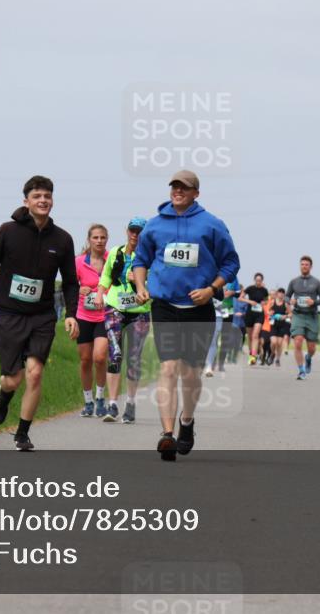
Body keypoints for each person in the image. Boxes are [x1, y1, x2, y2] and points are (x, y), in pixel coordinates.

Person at [0, 175, 79, 451]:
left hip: (43, 316)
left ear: (52, 201)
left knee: (35, 373)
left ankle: (22, 433)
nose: (43, 200)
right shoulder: (8, 231)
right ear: (26, 201)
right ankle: (3, 396)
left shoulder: (62, 239)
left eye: (47, 196)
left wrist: (71, 313)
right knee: (13, 378)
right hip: (11, 314)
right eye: (37, 196)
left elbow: (71, 281)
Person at [133, 170, 240, 461]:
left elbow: (231, 263)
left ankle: (187, 422)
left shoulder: (212, 225)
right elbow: (140, 261)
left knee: (190, 373)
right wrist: (141, 286)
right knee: (168, 368)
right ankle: (167, 435)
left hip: (199, 308)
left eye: (185, 187)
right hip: (164, 305)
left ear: (196, 193)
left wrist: (212, 289)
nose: (178, 191)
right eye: (174, 186)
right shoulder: (154, 226)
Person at [95, 217, 151, 423]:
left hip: (140, 310)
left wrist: (141, 281)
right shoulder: (116, 254)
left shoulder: (151, 257)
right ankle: (112, 404)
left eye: (140, 231)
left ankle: (131, 403)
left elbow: (156, 282)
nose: (135, 235)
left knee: (134, 360)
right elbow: (106, 276)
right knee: (115, 355)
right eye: (133, 230)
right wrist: (100, 292)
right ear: (127, 231)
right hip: (115, 306)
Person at [75, 224, 110, 418]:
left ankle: (100, 399)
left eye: (102, 237)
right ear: (89, 240)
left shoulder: (111, 260)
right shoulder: (79, 262)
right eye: (95, 237)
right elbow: (70, 286)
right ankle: (88, 401)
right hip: (83, 316)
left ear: (107, 239)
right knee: (86, 360)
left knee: (99, 357)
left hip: (105, 316)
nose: (99, 241)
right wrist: (80, 290)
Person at [286, 255, 320, 380]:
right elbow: (287, 297)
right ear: (300, 266)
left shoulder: (317, 282)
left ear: (311, 267)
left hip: (312, 316)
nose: (304, 266)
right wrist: (291, 301)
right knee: (297, 342)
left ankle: (308, 357)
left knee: (312, 347)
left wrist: (313, 302)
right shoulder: (293, 281)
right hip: (298, 314)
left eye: (306, 265)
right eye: (302, 264)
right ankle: (301, 370)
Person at [240, 273, 269, 366]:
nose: (258, 282)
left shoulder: (264, 290)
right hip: (250, 314)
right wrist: (249, 301)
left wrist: (264, 302)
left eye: (260, 280)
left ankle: (253, 356)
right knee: (250, 336)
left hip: (259, 315)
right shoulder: (250, 288)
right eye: (257, 280)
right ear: (254, 280)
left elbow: (267, 300)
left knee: (255, 336)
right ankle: (251, 352)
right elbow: (240, 298)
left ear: (262, 281)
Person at [268, 288, 290, 367]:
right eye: (279, 292)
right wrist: (270, 313)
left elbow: (290, 314)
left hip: (282, 326)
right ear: (277, 294)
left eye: (282, 293)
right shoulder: (272, 302)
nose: (281, 294)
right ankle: (272, 354)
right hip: (273, 325)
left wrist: (285, 316)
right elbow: (268, 311)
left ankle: (277, 359)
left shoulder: (286, 304)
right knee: (273, 342)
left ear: (284, 295)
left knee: (279, 343)